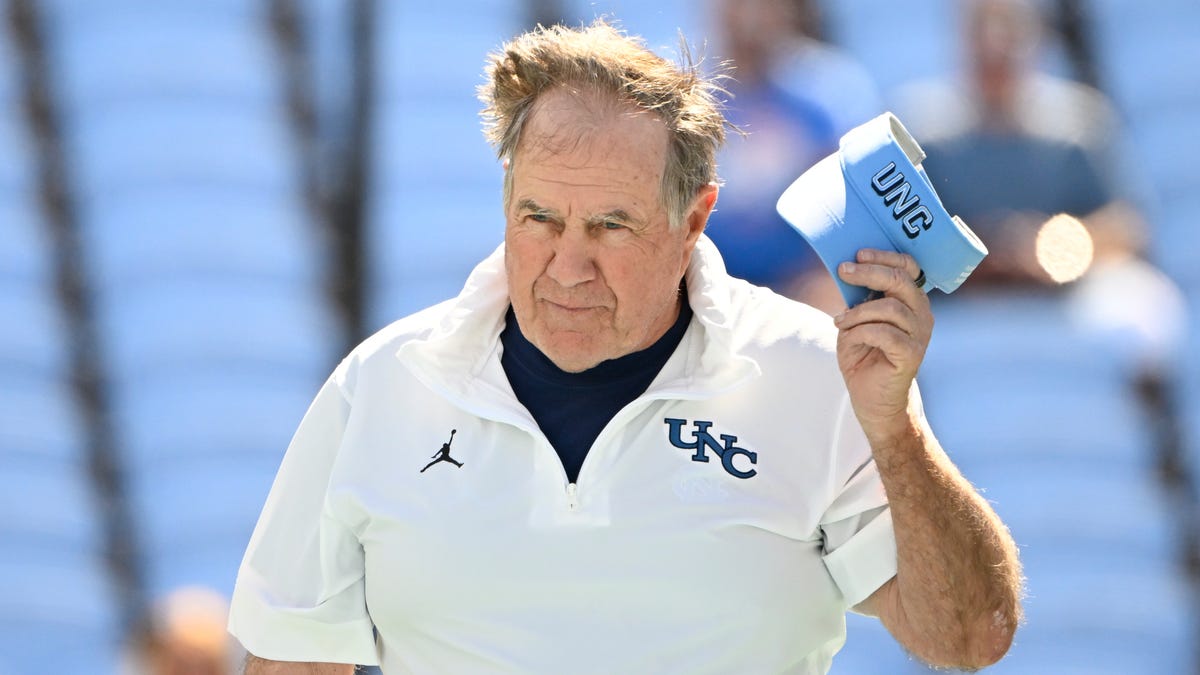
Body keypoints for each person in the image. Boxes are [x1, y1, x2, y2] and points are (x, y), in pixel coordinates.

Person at [227, 20, 1022, 673]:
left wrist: (896, 434)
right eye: (540, 218)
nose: (569, 265)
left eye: (611, 226)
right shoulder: (379, 385)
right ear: (506, 201)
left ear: (694, 221)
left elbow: (968, 637)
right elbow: (287, 658)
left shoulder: (817, 374)